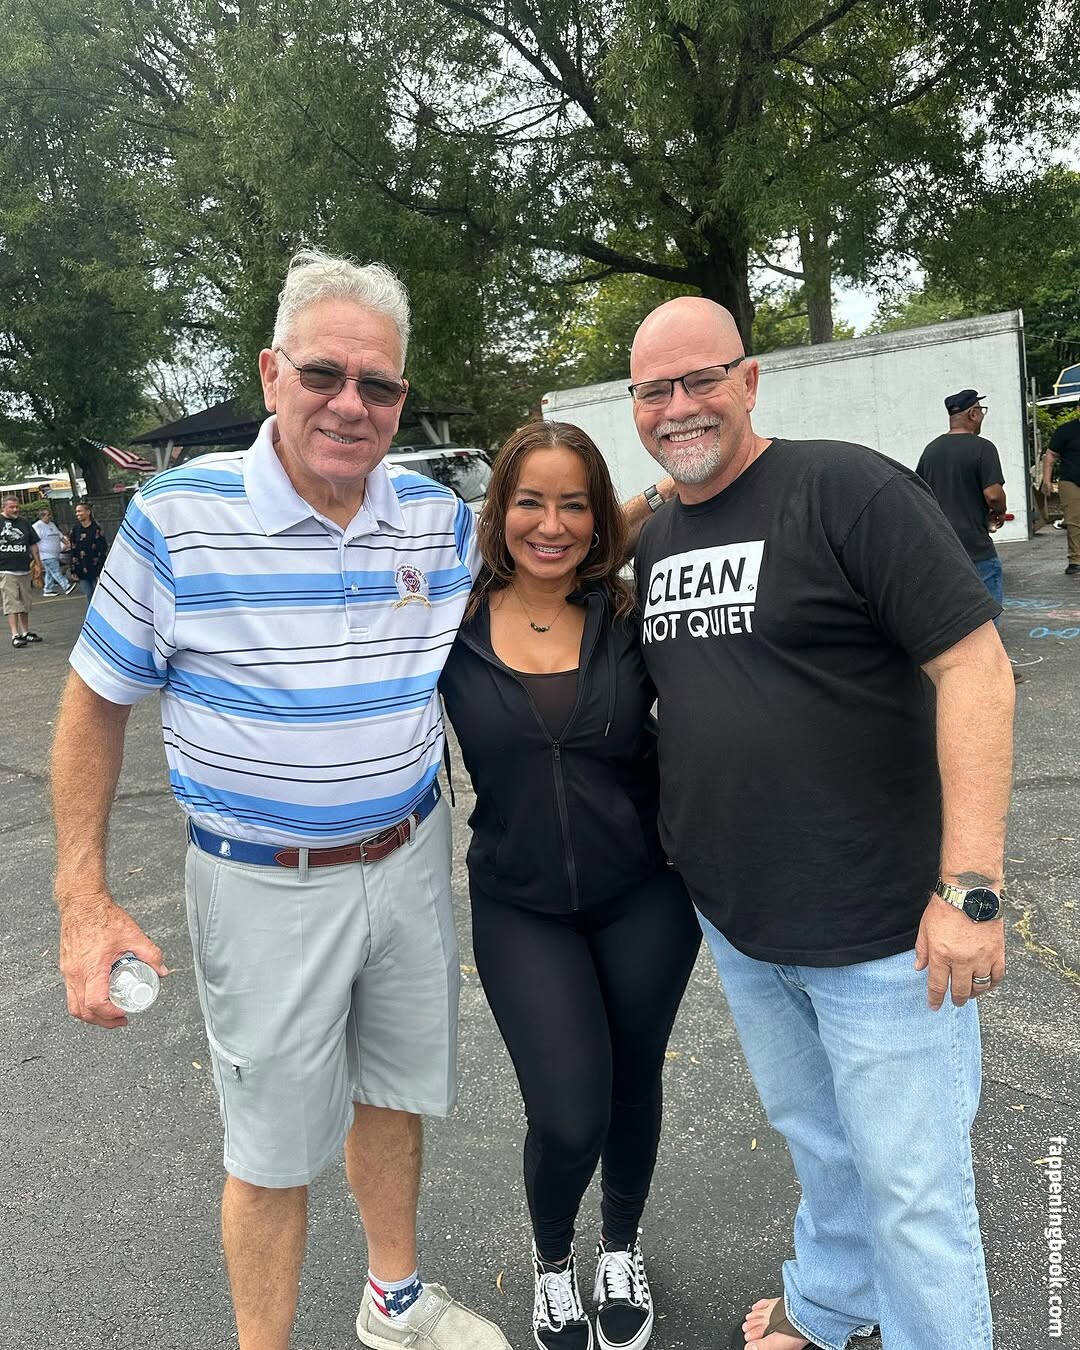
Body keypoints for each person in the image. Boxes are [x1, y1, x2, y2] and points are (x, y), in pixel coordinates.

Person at [51, 248, 514, 1350]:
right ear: (271, 373)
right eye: (323, 375)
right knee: (269, 1150)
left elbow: (550, 580)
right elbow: (93, 703)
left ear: (401, 395)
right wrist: (82, 900)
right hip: (262, 883)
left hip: (409, 858)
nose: (350, 404)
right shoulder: (177, 517)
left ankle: (395, 1305)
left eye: (378, 384)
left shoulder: (436, 519)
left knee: (394, 1093)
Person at [628, 297, 1014, 1350]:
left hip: (887, 933)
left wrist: (972, 889)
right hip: (743, 923)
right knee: (820, 1144)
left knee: (914, 1195)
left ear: (750, 381)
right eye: (654, 390)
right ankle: (832, 1301)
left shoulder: (846, 489)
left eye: (702, 379)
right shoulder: (658, 538)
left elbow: (975, 668)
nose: (679, 405)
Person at [440, 421, 700, 1350]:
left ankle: (619, 1246)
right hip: (520, 905)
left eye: (573, 505)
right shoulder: (449, 620)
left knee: (633, 1086)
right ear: (498, 509)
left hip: (646, 895)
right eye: (530, 502)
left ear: (597, 520)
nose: (550, 525)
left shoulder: (631, 616)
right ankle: (553, 1259)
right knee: (567, 1111)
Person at [915, 389, 1007, 604]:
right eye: (981, 410)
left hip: (942, 548)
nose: (982, 415)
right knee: (987, 611)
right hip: (975, 547)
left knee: (952, 612)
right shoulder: (983, 448)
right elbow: (993, 495)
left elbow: (919, 494)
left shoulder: (931, 451)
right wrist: (1000, 512)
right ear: (973, 414)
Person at [1041, 396, 1080, 575]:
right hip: (1071, 481)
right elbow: (1050, 455)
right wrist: (1047, 481)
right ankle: (1075, 560)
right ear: (1078, 409)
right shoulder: (1065, 430)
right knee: (1074, 522)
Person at [0, 495, 43, 648]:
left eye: (17, 507)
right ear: (3, 507)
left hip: (24, 568)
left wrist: (38, 564)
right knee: (12, 603)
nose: (15, 510)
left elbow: (33, 545)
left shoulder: (24, 522)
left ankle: (25, 632)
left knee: (25, 602)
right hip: (6, 569)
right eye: (11, 507)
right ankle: (15, 634)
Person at [67, 501, 108, 598]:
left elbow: (102, 548)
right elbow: (73, 549)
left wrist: (101, 567)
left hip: (95, 566)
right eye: (76, 512)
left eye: (80, 511)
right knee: (89, 594)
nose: (78, 514)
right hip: (81, 567)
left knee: (99, 594)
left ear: (88, 512)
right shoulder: (75, 529)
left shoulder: (96, 528)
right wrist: (73, 569)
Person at [32, 507, 76, 596]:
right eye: (48, 515)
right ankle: (66, 586)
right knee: (56, 571)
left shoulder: (52, 524)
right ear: (42, 516)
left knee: (50, 572)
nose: (50, 517)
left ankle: (47, 589)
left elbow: (60, 536)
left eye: (50, 515)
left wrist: (68, 544)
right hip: (46, 555)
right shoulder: (37, 526)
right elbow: (33, 541)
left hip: (55, 554)